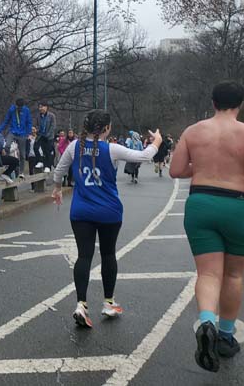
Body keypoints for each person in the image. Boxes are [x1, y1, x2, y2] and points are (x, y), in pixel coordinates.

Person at [170, 81, 244, 372]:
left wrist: (204, 166)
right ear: (240, 104)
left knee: (207, 273)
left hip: (201, 202)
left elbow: (176, 170)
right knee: (233, 274)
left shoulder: (193, 131)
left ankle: (206, 321)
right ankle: (226, 336)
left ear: (213, 101)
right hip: (240, 204)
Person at [52, 109, 161, 328]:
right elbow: (144, 156)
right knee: (108, 254)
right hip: (109, 211)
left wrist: (56, 188)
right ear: (107, 128)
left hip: (81, 211)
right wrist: (156, 141)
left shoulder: (75, 146)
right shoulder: (112, 149)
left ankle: (81, 304)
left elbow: (60, 171)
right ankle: (108, 302)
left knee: (84, 256)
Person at [0, 97, 32, 178]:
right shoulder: (12, 110)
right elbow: (6, 121)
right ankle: (7, 163)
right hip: (13, 131)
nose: (19, 109)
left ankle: (21, 172)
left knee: (23, 154)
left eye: (21, 107)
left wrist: (29, 133)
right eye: (18, 107)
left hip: (22, 134)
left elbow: (29, 122)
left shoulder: (26, 110)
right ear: (16, 105)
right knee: (7, 145)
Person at [34, 102, 56, 172]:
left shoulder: (51, 116)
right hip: (40, 135)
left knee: (47, 151)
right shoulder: (38, 116)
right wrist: (36, 130)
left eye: (42, 107)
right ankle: (40, 161)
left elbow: (53, 126)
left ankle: (48, 166)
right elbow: (37, 125)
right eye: (39, 107)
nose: (40, 108)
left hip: (48, 136)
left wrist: (48, 135)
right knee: (35, 147)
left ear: (46, 107)